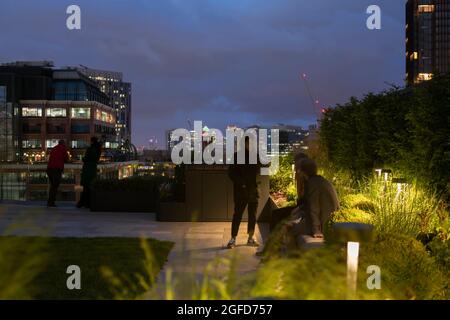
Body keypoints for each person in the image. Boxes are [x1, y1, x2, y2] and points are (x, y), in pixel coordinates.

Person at [291, 159, 340, 240]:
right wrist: (299, 209)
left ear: (303, 172)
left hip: (323, 224)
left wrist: (316, 230)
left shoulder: (312, 184)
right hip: (327, 221)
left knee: (286, 229)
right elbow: (310, 205)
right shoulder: (319, 180)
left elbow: (314, 208)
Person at [227, 137, 260, 249]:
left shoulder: (255, 155)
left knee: (253, 216)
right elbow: (231, 173)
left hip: (253, 191)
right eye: (248, 143)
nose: (250, 144)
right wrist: (242, 184)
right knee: (237, 215)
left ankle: (250, 238)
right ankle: (233, 238)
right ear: (244, 143)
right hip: (241, 191)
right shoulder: (237, 156)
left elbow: (258, 168)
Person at [77, 137, 102, 209]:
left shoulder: (90, 149)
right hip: (93, 168)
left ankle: (83, 203)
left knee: (86, 187)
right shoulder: (98, 149)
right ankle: (87, 203)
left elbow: (86, 158)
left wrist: (83, 159)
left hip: (88, 168)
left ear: (92, 141)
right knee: (89, 186)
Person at [46, 140, 69, 207]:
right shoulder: (63, 149)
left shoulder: (54, 148)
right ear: (63, 144)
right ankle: (51, 202)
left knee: (52, 186)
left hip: (49, 169)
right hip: (57, 170)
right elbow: (66, 159)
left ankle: (50, 202)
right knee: (54, 186)